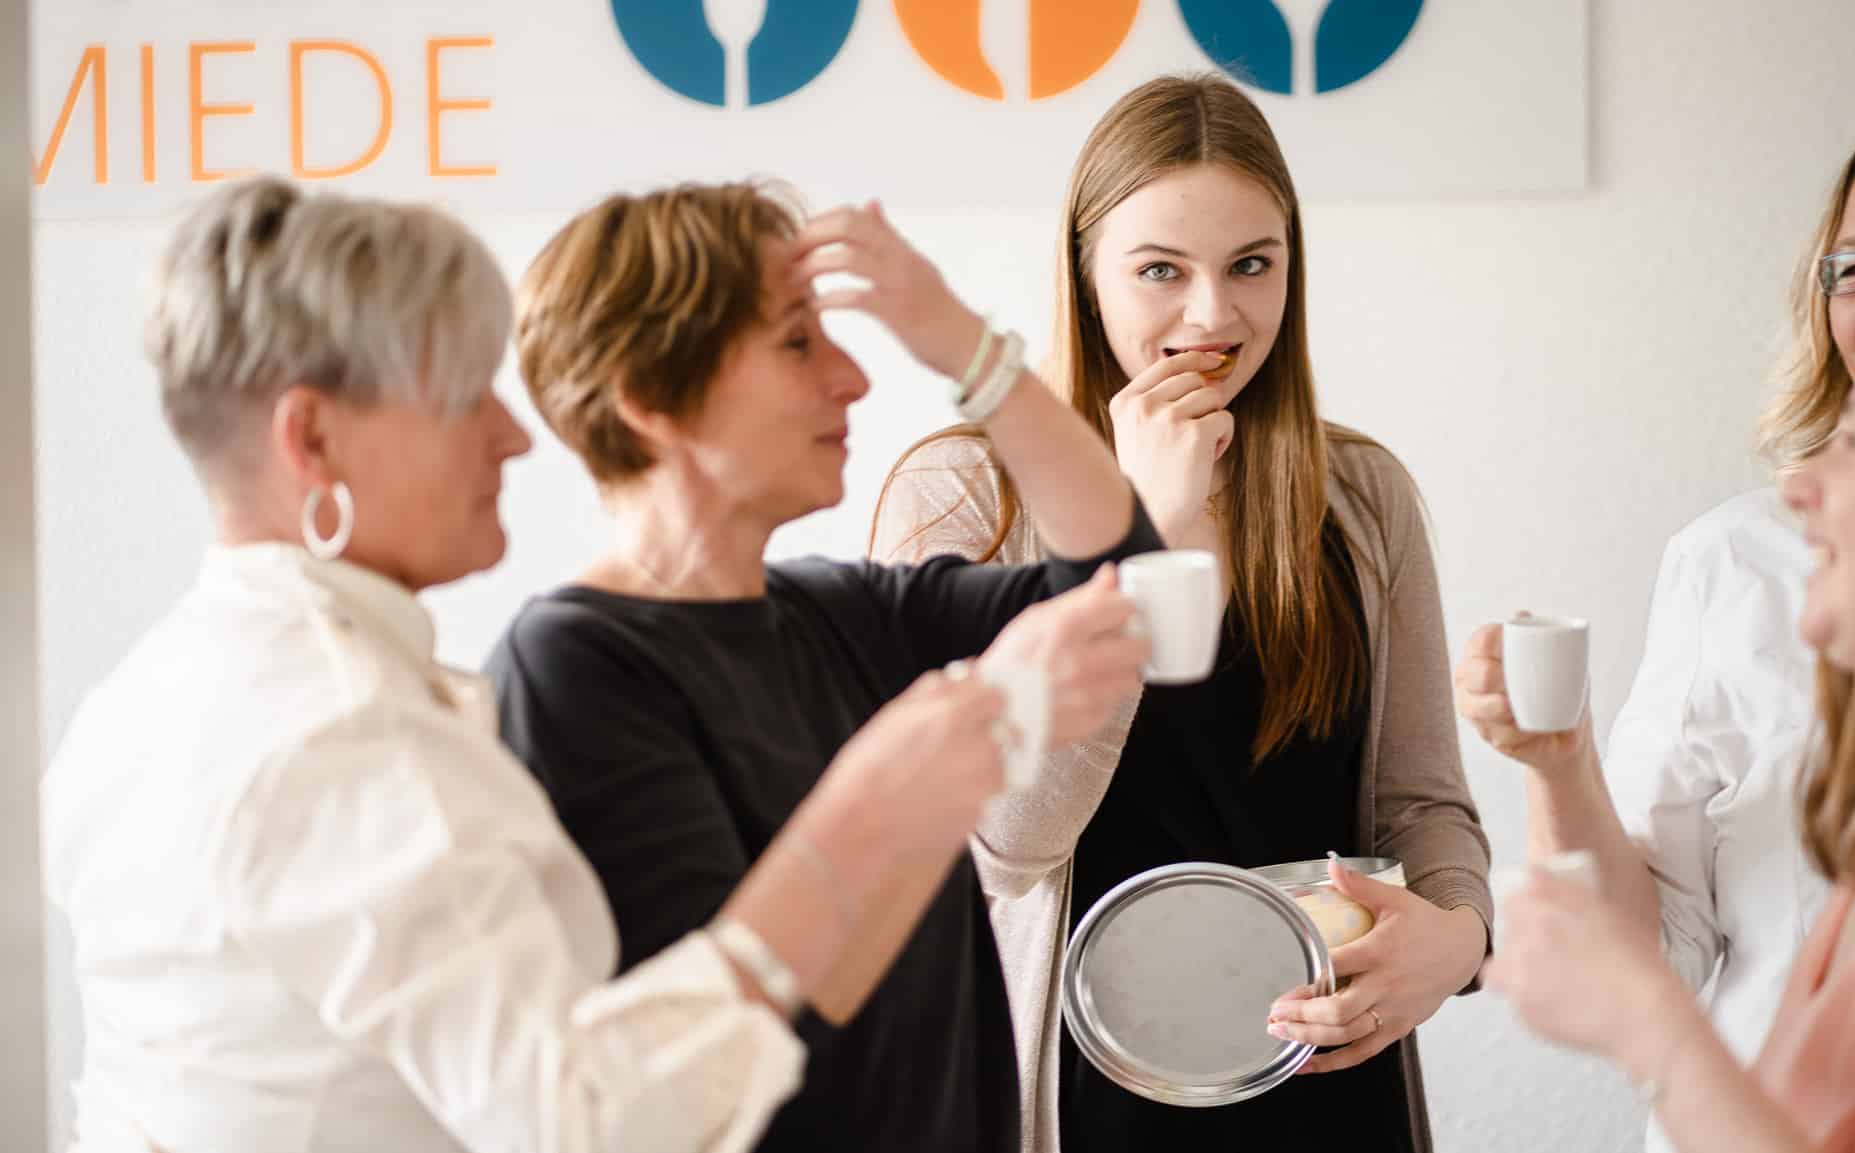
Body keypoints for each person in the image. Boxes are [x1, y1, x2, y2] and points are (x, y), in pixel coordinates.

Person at [41, 177, 1031, 1153]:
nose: (514, 435)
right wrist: (858, 835)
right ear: (312, 437)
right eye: (462, 394)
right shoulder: (353, 732)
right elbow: (577, 1123)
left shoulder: (141, 699)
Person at [871, 74, 1492, 1153]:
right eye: (1160, 270)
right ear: (1086, 277)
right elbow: (1007, 842)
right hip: (1078, 1097)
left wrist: (1458, 938)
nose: (1212, 316)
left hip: (1332, 1083)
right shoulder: (962, 501)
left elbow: (1421, 802)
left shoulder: (1360, 497)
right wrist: (1134, 534)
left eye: (1251, 265)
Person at [488, 181, 1160, 1152]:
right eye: (795, 341)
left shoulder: (836, 610)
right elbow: (714, 1044)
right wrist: (968, 735)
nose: (851, 378)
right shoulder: (573, 670)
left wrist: (962, 345)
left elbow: (1117, 573)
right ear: (650, 398)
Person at [1454, 94, 1855, 1153]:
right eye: (1853, 264)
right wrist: (1557, 763)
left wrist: (1654, 1033)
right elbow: (1662, 941)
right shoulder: (1733, 559)